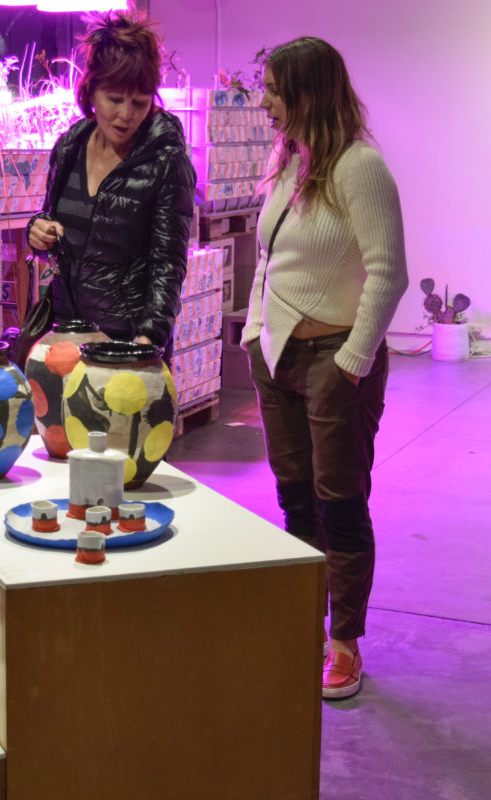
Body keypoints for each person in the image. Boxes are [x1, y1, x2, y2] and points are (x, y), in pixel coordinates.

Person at [241, 37, 408, 699]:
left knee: (340, 503)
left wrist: (353, 359)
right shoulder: (289, 163)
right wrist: (255, 335)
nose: (265, 103)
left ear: (309, 92)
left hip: (334, 364)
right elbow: (270, 260)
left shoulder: (361, 168)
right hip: (276, 355)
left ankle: (345, 642)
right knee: (296, 498)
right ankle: (305, 619)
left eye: (276, 91)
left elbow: (388, 273)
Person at [26, 8, 195, 358]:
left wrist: (149, 341)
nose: (126, 115)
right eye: (114, 99)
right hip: (66, 338)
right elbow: (52, 219)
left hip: (127, 345)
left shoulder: (166, 161)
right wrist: (38, 231)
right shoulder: (70, 146)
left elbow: (168, 263)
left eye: (140, 102)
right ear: (91, 92)